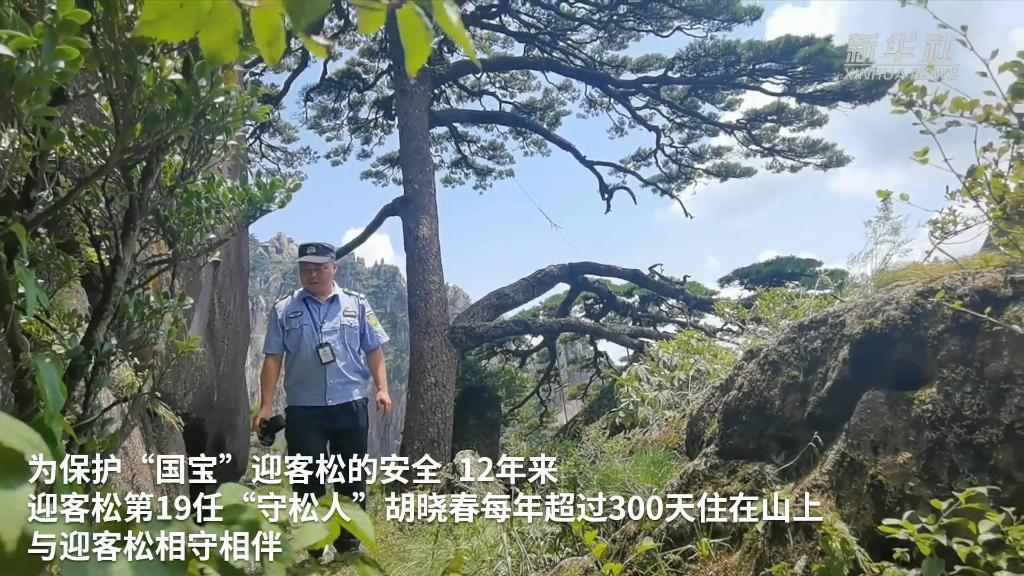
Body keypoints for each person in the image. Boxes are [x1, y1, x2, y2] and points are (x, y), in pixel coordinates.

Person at [252, 241, 391, 557]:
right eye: (305, 269)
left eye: (319, 268)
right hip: (304, 409)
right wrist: (265, 405)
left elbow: (374, 350)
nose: (312, 274)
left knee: (351, 476)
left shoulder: (357, 305)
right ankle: (314, 547)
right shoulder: (284, 309)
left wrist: (382, 388)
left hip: (350, 403)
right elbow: (272, 359)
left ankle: (349, 546)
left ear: (334, 269)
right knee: (306, 480)